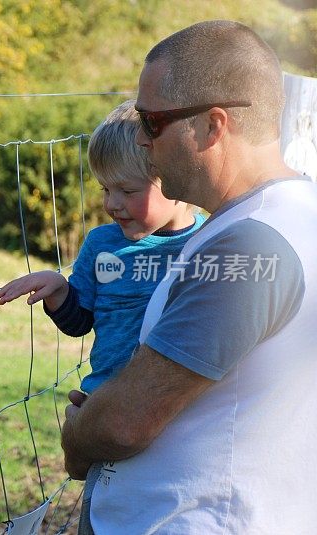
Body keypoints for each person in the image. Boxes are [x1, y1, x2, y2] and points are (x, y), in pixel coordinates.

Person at [60, 20, 317, 534]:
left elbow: (124, 423)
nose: (140, 139)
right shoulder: (285, 214)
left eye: (151, 121)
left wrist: (78, 437)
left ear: (212, 125)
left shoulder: (251, 245)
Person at [0, 100, 204, 520]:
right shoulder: (100, 245)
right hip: (104, 406)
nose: (113, 203)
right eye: (105, 189)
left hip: (178, 413)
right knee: (104, 508)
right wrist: (59, 292)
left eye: (128, 191)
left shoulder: (207, 245)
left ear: (178, 185)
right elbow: (81, 322)